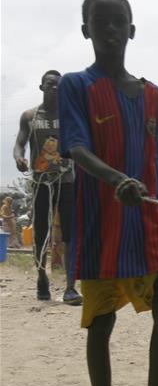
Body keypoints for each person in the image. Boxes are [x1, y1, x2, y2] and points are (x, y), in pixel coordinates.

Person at [58, 0, 158, 386]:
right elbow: (76, 147)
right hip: (102, 227)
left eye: (119, 22)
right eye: (101, 22)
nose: (111, 30)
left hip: (150, 222)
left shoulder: (152, 95)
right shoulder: (76, 86)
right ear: (86, 30)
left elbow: (157, 163)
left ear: (132, 30)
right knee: (101, 323)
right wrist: (116, 180)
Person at [13, 70, 82, 303]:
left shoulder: (70, 116)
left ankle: (70, 287)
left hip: (66, 181)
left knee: (70, 234)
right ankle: (42, 278)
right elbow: (20, 144)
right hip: (41, 182)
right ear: (41, 87)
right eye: (50, 84)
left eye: (58, 85)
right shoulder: (30, 116)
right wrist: (19, 158)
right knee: (41, 232)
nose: (54, 88)